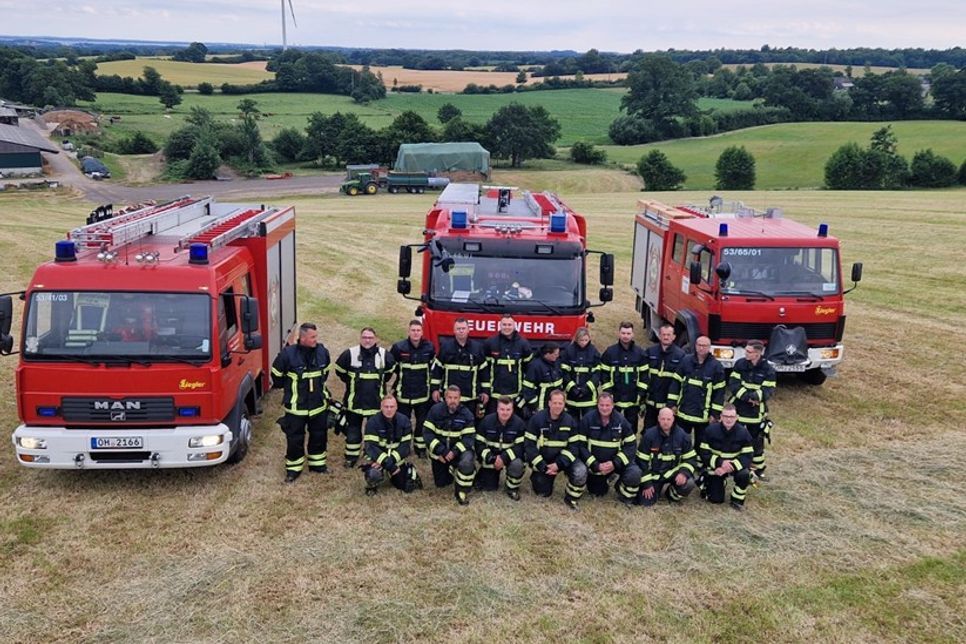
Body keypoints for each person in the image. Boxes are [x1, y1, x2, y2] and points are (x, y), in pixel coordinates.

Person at [270, 322, 332, 483]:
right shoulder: (287, 354)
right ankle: (293, 469)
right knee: (295, 438)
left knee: (319, 435)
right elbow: (276, 376)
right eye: (312, 337)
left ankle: (318, 465)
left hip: (318, 405)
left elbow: (325, 373)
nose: (315, 340)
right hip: (296, 407)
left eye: (316, 336)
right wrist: (290, 390)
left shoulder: (322, 352)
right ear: (302, 338)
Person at [335, 327, 396, 468]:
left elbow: (388, 374)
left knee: (374, 433)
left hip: (376, 404)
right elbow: (340, 371)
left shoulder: (384, 355)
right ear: (360, 338)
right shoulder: (350, 354)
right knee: (353, 432)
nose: (367, 340)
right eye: (364, 337)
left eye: (370, 338)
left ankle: (372, 455)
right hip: (354, 403)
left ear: (376, 339)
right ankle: (351, 457)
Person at [524, 389, 587, 510]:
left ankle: (571, 497)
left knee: (580, 471)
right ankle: (537, 477)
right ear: (549, 403)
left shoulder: (570, 421)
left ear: (564, 404)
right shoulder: (537, 419)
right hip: (544, 462)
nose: (557, 406)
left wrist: (559, 464)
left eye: (560, 403)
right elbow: (529, 446)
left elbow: (574, 447)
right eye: (555, 403)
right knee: (543, 492)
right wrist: (542, 466)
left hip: (563, 460)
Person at [578, 392, 641, 505]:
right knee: (597, 492)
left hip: (615, 464)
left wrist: (615, 463)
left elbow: (631, 445)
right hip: (596, 466)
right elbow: (580, 446)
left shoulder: (621, 421)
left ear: (613, 405)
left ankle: (623, 492)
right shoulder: (587, 420)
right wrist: (595, 465)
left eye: (607, 405)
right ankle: (605, 479)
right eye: (602, 405)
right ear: (597, 405)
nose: (604, 408)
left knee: (635, 473)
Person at [667, 335, 726, 452]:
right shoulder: (686, 361)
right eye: (699, 345)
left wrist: (715, 414)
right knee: (681, 441)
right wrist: (671, 404)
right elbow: (675, 383)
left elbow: (719, 393)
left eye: (704, 346)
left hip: (703, 416)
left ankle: (698, 465)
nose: (701, 348)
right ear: (695, 346)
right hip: (683, 413)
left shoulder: (716, 367)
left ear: (709, 348)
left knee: (702, 444)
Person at [727, 341, 776, 479]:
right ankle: (733, 466)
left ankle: (758, 469)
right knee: (734, 438)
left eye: (749, 351)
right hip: (738, 408)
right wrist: (748, 398)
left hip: (756, 413)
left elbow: (768, 389)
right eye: (746, 350)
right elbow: (733, 384)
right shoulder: (740, 364)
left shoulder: (768, 369)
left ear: (758, 353)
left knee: (756, 441)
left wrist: (756, 397)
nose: (745, 353)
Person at [423, 385, 477, 505]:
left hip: (458, 452)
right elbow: (427, 434)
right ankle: (451, 469)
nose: (453, 400)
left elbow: (469, 439)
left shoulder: (467, 414)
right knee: (441, 483)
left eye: (455, 398)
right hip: (441, 453)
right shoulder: (435, 411)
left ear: (460, 399)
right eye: (450, 397)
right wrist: (441, 451)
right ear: (445, 398)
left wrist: (455, 452)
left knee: (466, 462)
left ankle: (462, 490)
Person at [390, 319, 436, 458]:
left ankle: (420, 448)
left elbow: (433, 368)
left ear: (422, 332)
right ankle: (403, 448)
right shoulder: (399, 347)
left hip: (423, 394)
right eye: (413, 330)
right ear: (408, 332)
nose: (415, 333)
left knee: (422, 422)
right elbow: (393, 367)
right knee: (403, 422)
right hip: (403, 394)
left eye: (418, 330)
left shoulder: (429, 348)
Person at [637, 407, 699, 506]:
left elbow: (691, 459)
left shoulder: (683, 436)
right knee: (645, 502)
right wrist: (647, 484)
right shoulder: (649, 435)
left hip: (673, 474)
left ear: (673, 419)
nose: (665, 422)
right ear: (658, 419)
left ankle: (671, 494)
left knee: (689, 484)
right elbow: (641, 462)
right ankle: (655, 491)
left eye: (668, 419)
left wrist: (683, 473)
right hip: (655, 476)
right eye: (663, 419)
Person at [698, 403, 754, 511]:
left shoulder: (744, 433)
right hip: (716, 467)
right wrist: (720, 464)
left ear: (736, 417)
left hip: (734, 467)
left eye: (732, 417)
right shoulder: (710, 431)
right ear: (721, 417)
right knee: (715, 500)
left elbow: (748, 455)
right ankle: (710, 482)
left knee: (744, 474)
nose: (729, 419)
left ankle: (737, 500)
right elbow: (703, 452)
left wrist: (731, 466)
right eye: (726, 416)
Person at [362, 395, 422, 496]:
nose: (389, 410)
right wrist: (389, 465)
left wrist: (391, 462)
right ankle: (372, 486)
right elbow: (371, 448)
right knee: (373, 474)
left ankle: (409, 471)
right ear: (381, 407)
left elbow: (405, 447)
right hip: (377, 460)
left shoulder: (404, 421)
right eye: (386, 407)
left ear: (396, 407)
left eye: (392, 406)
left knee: (406, 486)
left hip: (396, 460)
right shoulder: (372, 422)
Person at [431, 318, 490, 416]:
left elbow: (484, 372)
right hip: (450, 399)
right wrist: (435, 389)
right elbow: (437, 370)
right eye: (458, 329)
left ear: (468, 330)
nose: (461, 331)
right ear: (454, 331)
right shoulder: (446, 347)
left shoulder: (477, 348)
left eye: (463, 328)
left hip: (470, 399)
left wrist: (485, 391)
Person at [599, 322, 648, 433]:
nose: (625, 336)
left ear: (633, 334)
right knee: (612, 426)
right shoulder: (610, 352)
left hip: (633, 398)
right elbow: (604, 375)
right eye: (623, 333)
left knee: (631, 428)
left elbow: (645, 376)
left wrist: (640, 394)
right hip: (614, 397)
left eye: (628, 333)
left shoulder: (640, 353)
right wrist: (608, 392)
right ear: (619, 333)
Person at [475, 396, 526, 500]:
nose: (505, 412)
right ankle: (482, 476)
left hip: (509, 458)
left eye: (508, 409)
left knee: (518, 464)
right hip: (491, 459)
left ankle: (512, 488)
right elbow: (479, 444)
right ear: (497, 409)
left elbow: (520, 447)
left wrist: (503, 458)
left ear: (512, 410)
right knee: (489, 488)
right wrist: (492, 458)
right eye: (502, 409)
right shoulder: (486, 421)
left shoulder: (519, 424)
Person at [483, 314, 532, 415]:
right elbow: (484, 370)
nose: (507, 327)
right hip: (494, 395)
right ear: (500, 325)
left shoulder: (523, 344)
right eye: (504, 324)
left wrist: (524, 393)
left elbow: (529, 371)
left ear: (514, 326)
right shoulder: (490, 343)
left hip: (515, 396)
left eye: (509, 324)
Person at [643, 323, 685, 430]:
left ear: (674, 337)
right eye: (663, 334)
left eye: (669, 335)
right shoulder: (650, 352)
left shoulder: (680, 355)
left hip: (669, 403)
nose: (666, 337)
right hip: (651, 401)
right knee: (649, 431)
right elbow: (643, 375)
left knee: (667, 432)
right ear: (659, 335)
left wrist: (674, 403)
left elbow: (680, 382)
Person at [560, 327, 601, 421]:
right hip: (572, 397)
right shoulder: (568, 351)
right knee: (573, 425)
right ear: (576, 339)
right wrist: (572, 388)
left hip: (589, 399)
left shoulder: (594, 352)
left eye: (586, 340)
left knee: (589, 424)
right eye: (581, 340)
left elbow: (597, 374)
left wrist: (586, 389)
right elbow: (564, 373)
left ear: (589, 339)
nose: (583, 342)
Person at [519, 342, 564, 416]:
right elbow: (528, 389)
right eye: (555, 354)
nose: (558, 356)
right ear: (547, 354)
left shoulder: (556, 364)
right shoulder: (535, 366)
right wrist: (535, 406)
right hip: (540, 408)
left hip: (554, 407)